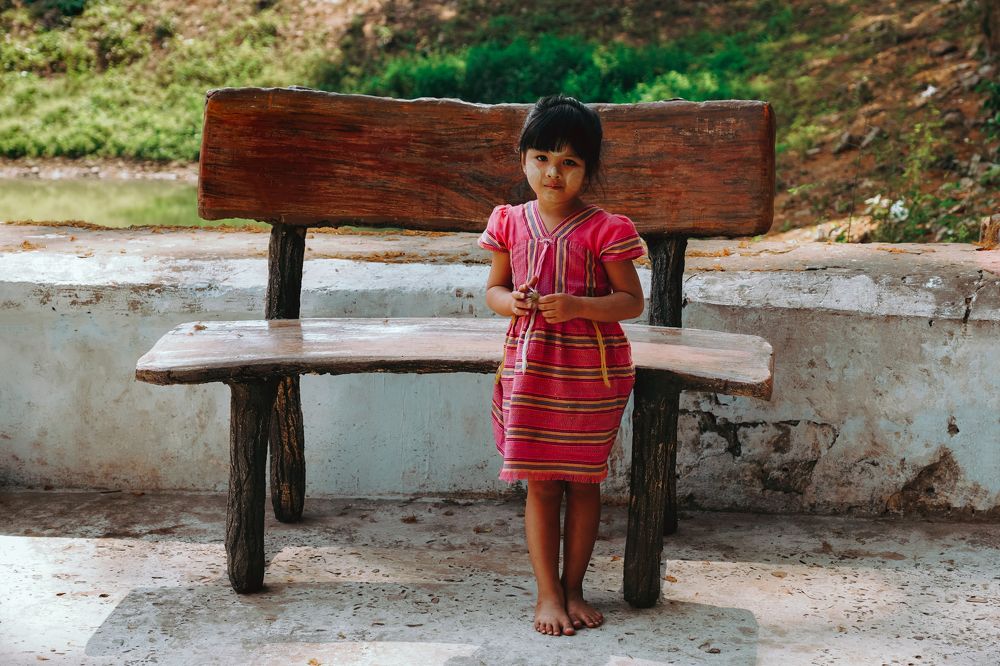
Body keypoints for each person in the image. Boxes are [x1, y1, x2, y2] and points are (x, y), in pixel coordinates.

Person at [478, 95, 646, 636]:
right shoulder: (509, 222)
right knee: (541, 484)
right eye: (542, 158)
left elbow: (630, 303)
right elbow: (494, 291)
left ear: (588, 170)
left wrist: (576, 307)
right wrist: (515, 303)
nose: (553, 172)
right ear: (523, 158)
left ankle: (575, 588)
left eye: (570, 162)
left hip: (588, 377)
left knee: (584, 480)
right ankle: (546, 595)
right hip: (530, 372)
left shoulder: (606, 229)